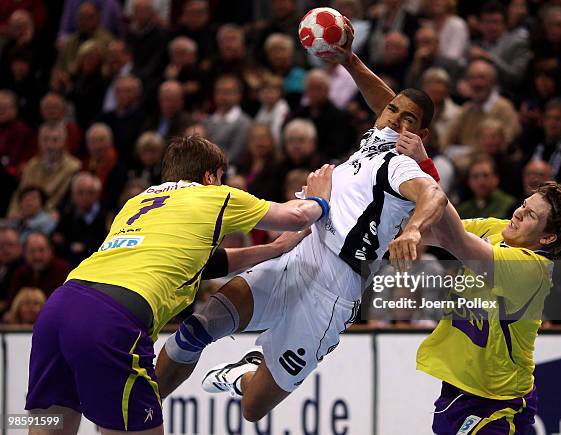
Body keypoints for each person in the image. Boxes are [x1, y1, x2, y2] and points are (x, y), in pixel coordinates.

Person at [155, 18, 447, 422]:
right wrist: (349, 59)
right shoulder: (380, 132)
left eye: (407, 121)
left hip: (334, 289)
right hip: (301, 252)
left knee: (253, 408)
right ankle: (139, 410)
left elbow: (433, 193)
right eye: (392, 111)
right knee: (201, 324)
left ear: (421, 134)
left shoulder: (402, 163)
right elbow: (388, 102)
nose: (394, 118)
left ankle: (246, 374)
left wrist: (413, 227)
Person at [25, 134, 334, 434]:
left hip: (58, 309)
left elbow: (199, 262)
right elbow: (295, 216)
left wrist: (271, 250)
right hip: (111, 320)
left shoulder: (137, 201)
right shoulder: (215, 195)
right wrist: (319, 197)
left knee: (48, 427)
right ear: (211, 176)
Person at [398, 136, 561, 433]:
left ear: (547, 238)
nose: (519, 213)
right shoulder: (498, 230)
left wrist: (423, 168)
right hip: (460, 388)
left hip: (497, 403)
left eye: (530, 216)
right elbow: (437, 230)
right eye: (524, 205)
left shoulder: (531, 269)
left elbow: (454, 239)